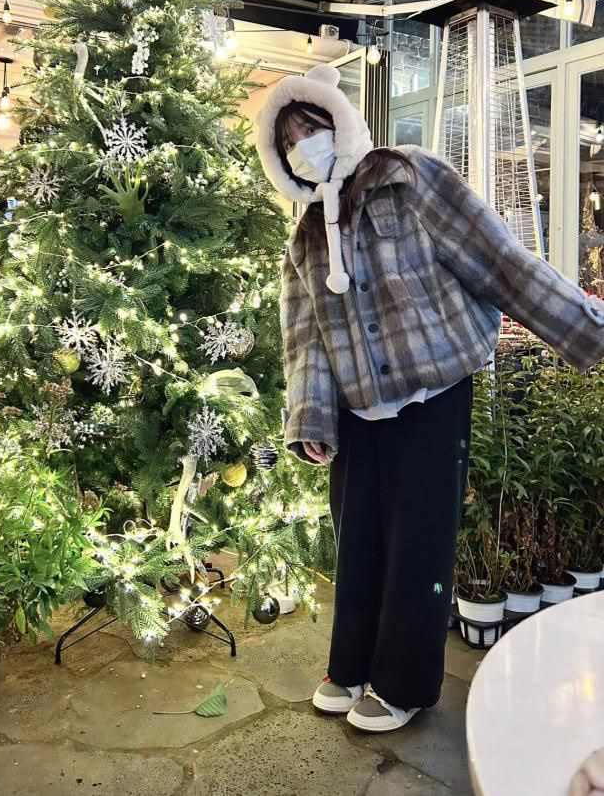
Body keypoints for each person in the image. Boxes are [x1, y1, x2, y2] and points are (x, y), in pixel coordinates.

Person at [256, 63, 604, 734]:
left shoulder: (411, 178)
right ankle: (351, 664)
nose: (304, 148)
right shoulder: (305, 235)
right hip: (358, 413)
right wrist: (311, 418)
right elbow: (304, 339)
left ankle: (402, 683)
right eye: (289, 141)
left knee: (418, 545)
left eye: (310, 129)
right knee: (358, 542)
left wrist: (585, 326)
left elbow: (499, 260)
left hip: (432, 395)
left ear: (340, 122)